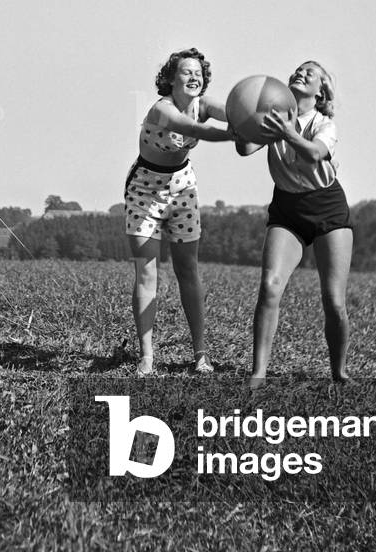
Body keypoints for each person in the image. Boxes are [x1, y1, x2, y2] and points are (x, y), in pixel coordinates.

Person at [237, 60, 352, 390]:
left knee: (334, 301)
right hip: (287, 208)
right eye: (298, 71)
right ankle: (258, 374)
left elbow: (315, 154)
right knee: (270, 286)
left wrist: (287, 132)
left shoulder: (323, 124)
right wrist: (242, 122)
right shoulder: (274, 117)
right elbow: (246, 148)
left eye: (311, 74)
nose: (301, 74)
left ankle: (339, 373)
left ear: (320, 92)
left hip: (326, 206)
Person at [125, 48, 234, 377]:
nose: (194, 77)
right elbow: (197, 130)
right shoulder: (162, 109)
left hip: (182, 187)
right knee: (147, 273)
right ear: (171, 79)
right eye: (186, 72)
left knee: (188, 269)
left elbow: (236, 113)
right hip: (144, 188)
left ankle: (200, 354)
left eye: (198, 72)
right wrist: (233, 135)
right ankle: (147, 356)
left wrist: (257, 123)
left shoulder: (204, 104)